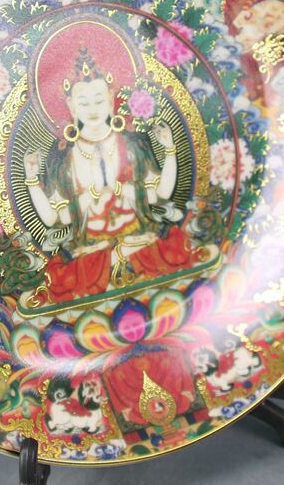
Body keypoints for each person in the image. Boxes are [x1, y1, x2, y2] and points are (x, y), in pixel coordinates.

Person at [23, 48, 200, 304]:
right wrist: (31, 180)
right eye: (83, 103)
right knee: (65, 281)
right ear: (71, 106)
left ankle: (124, 262)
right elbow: (53, 218)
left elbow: (161, 193)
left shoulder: (133, 143)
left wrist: (170, 149)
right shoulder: (63, 157)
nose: (92, 109)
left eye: (98, 100)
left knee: (172, 253)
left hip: (140, 240)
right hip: (90, 250)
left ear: (110, 98)